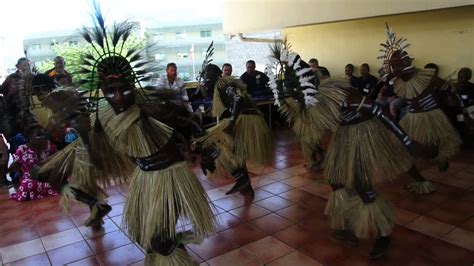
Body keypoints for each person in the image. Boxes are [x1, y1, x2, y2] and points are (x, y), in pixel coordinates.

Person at [40, 7, 215, 264]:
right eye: (111, 91)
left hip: (170, 177)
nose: (119, 97)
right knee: (151, 238)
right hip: (144, 179)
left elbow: (191, 124)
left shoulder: (154, 107)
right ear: (101, 90)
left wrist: (206, 150)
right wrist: (84, 134)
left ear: (133, 85)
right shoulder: (103, 115)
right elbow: (99, 160)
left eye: (124, 89)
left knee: (160, 240)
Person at [269, 48, 436, 260]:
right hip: (344, 136)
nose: (293, 94)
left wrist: (408, 142)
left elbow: (378, 110)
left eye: (296, 89)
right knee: (336, 180)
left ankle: (383, 234)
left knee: (361, 185)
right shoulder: (308, 100)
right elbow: (316, 124)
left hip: (364, 134)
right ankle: (346, 224)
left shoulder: (340, 94)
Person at [379, 24, 461, 193]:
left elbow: (447, 89)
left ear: (406, 63)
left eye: (397, 65)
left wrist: (452, 101)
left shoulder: (427, 77)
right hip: (411, 117)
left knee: (430, 152)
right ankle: (421, 181)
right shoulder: (398, 82)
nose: (393, 69)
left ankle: (441, 157)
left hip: (432, 117)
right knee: (398, 150)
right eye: (392, 66)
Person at [199, 63, 273, 196]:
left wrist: (232, 122)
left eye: (209, 75)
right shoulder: (219, 85)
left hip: (246, 119)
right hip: (246, 116)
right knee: (234, 151)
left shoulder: (222, 84)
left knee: (215, 146)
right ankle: (246, 186)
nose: (207, 78)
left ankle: (241, 178)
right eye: (205, 75)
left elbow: (237, 98)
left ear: (217, 75)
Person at [8, 124, 58, 201]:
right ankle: (43, 189)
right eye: (38, 135)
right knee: (27, 183)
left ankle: (43, 189)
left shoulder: (44, 149)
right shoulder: (22, 149)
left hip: (42, 179)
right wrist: (15, 168)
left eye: (42, 135)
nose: (41, 137)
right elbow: (14, 167)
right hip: (28, 182)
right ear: (30, 136)